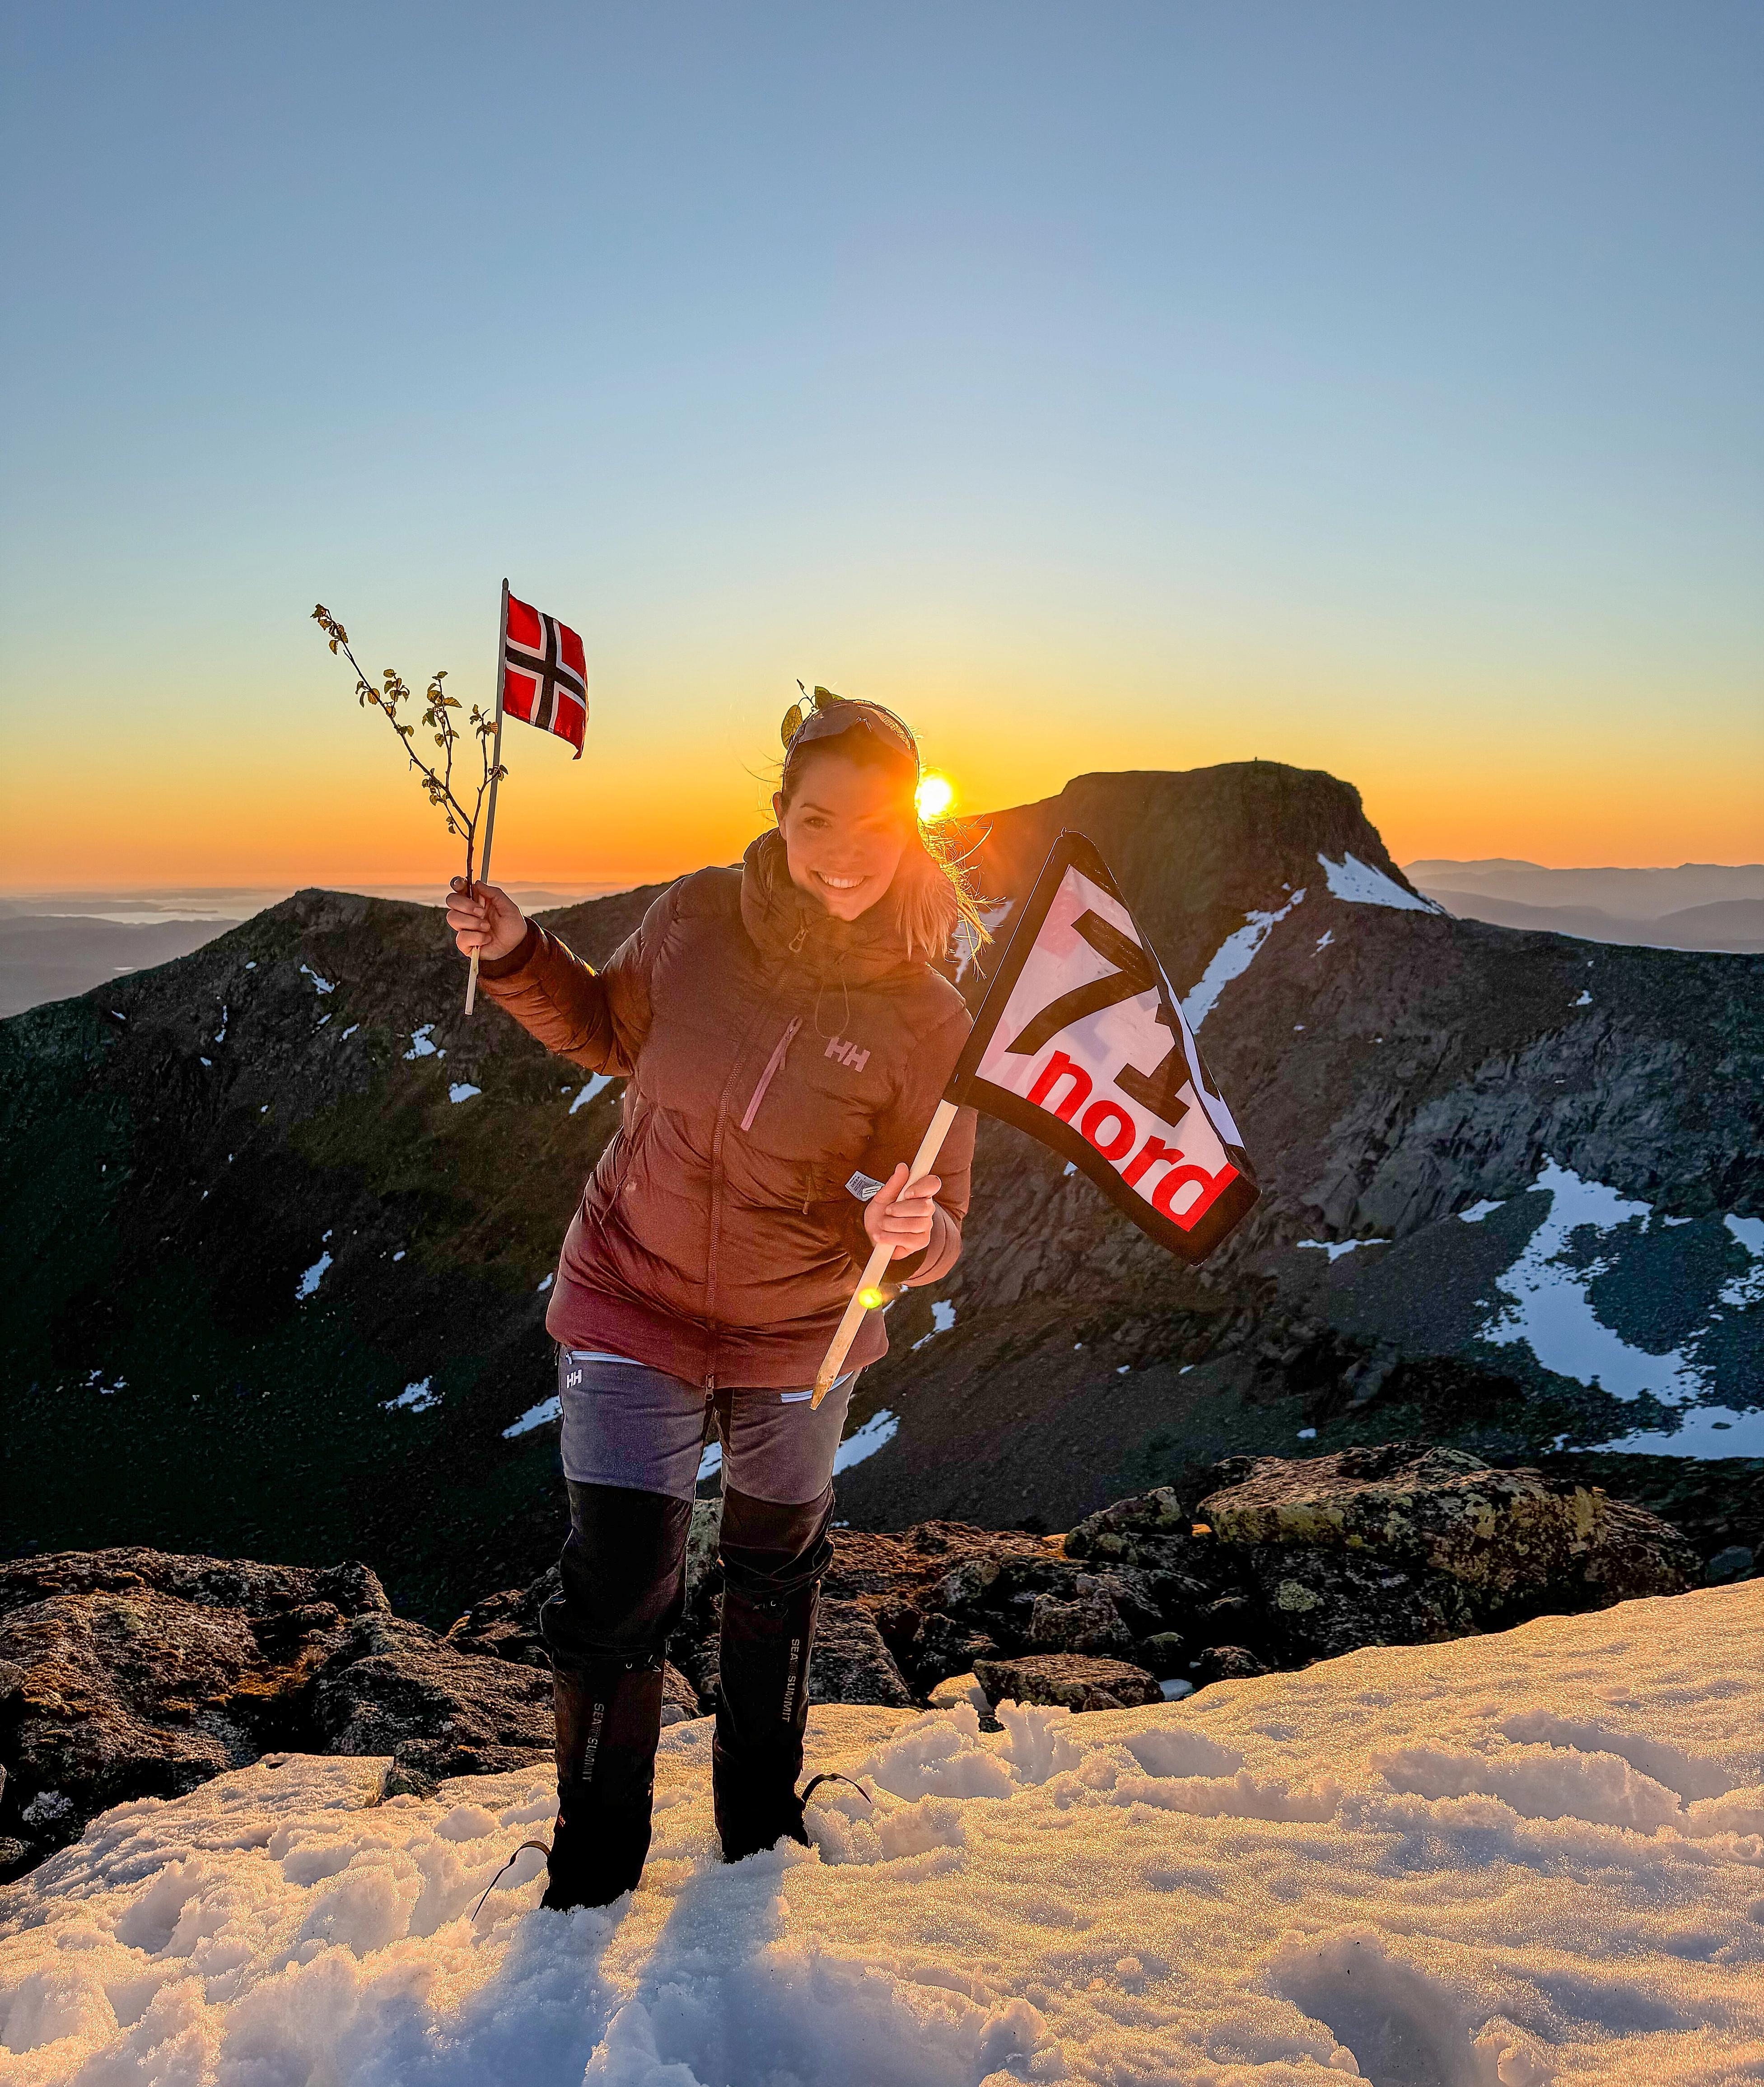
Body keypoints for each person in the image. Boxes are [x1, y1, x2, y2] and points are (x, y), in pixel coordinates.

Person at [445, 689, 986, 1911]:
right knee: (614, 1588)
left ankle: (756, 1832)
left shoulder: (929, 1015)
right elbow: (601, 1027)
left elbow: (939, 1213)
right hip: (630, 1291)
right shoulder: (694, 918)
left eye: (873, 824)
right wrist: (519, 952)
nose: (842, 848)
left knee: (771, 1570)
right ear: (780, 813)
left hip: (800, 1330)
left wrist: (911, 1234)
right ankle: (590, 1874)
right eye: (816, 817)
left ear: (911, 831)